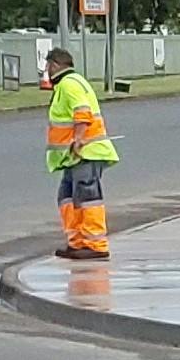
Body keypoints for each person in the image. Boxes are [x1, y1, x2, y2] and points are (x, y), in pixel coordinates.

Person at [42, 46, 119, 261]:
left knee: (87, 197)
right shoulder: (67, 85)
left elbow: (82, 111)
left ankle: (95, 244)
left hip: (86, 152)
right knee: (67, 197)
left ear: (55, 65)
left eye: (47, 66)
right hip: (74, 155)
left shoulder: (69, 84)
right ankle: (77, 242)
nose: (46, 71)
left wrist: (78, 138)